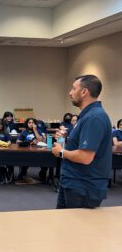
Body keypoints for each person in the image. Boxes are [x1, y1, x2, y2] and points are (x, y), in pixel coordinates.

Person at [52, 75, 112, 209]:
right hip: (72, 182)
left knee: (76, 228)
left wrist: (61, 152)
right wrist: (64, 140)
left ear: (84, 92)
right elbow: (78, 147)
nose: (70, 92)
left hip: (83, 186)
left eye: (73, 88)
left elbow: (85, 157)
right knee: (64, 226)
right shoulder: (86, 116)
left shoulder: (94, 117)